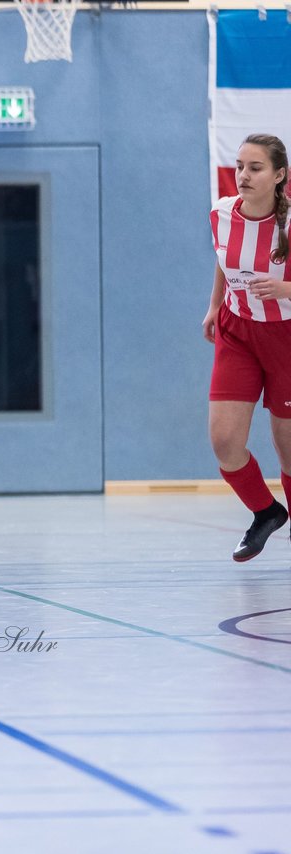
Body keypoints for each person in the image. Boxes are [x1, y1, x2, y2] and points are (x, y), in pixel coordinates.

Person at [204, 133, 291, 562]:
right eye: (239, 166)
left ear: (279, 176)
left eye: (255, 168)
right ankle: (266, 511)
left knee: (287, 445)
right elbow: (224, 261)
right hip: (237, 332)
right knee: (224, 441)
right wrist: (214, 305)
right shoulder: (221, 213)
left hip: (286, 337)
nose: (243, 175)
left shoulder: (289, 223)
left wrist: (284, 287)